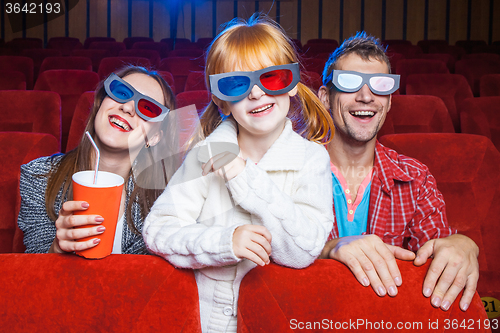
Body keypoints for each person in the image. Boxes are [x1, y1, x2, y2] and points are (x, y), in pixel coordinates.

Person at [143, 14, 335, 333]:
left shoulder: (312, 159)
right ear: (222, 100)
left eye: (272, 78)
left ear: (292, 85)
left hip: (274, 321)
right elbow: (158, 231)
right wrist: (224, 242)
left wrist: (242, 175)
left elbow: (305, 250)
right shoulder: (204, 155)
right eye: (237, 83)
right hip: (198, 323)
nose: (257, 93)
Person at [317, 32, 479, 312]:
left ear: (389, 102)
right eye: (349, 83)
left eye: (379, 86)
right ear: (325, 98)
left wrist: (462, 245)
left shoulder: (416, 177)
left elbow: (438, 247)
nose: (366, 96)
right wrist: (328, 249)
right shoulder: (287, 169)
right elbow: (262, 257)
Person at [18, 65, 177, 255]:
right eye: (121, 92)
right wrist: (58, 248)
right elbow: (33, 274)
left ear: (154, 138)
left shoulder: (166, 197)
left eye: (148, 108)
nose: (127, 107)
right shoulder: (39, 177)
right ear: (101, 103)